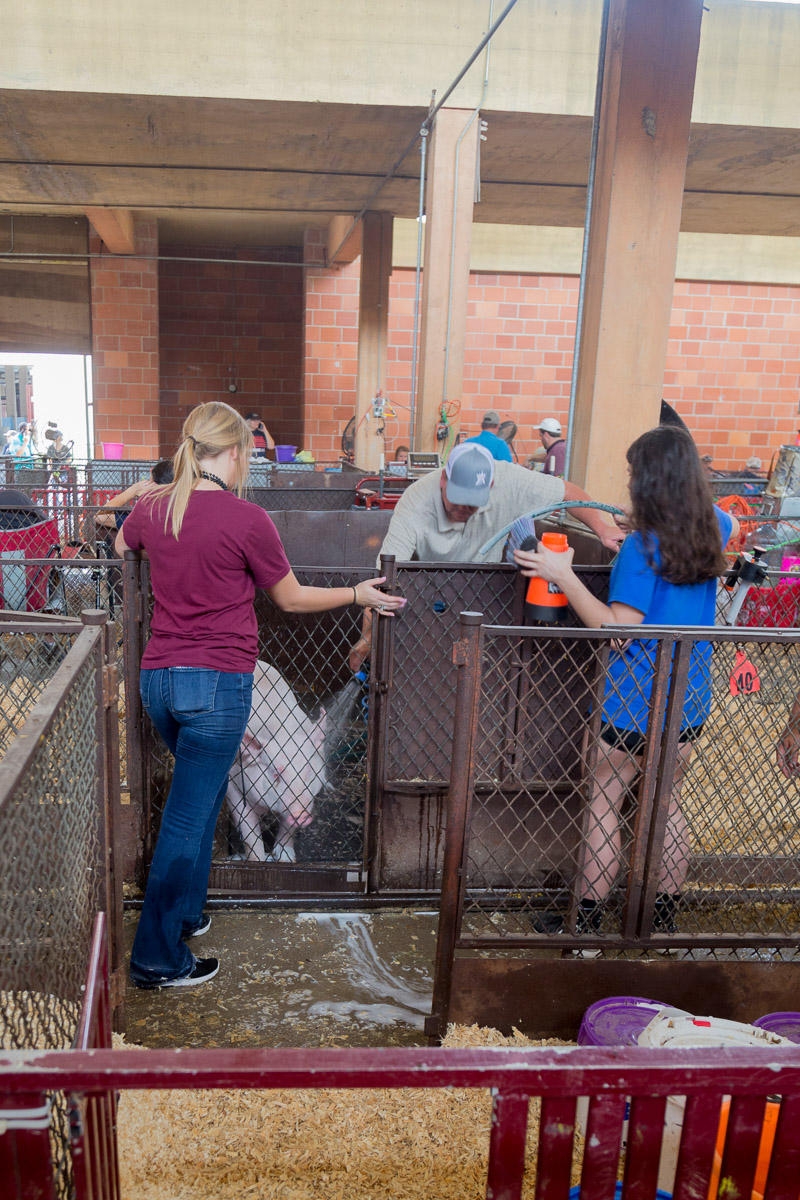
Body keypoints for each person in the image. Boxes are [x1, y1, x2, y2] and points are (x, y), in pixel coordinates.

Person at [116, 401, 405, 989]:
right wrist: (357, 595)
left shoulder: (154, 509)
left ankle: (185, 916)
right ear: (238, 452)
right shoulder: (246, 519)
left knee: (199, 799)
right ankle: (155, 958)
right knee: (186, 816)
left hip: (158, 682)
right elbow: (292, 599)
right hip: (216, 685)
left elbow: (123, 547)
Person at [515, 425, 738, 936]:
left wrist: (563, 573)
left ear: (650, 482)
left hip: (631, 700)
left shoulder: (642, 549)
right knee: (668, 803)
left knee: (603, 799)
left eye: (636, 474)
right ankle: (659, 921)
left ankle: (586, 924)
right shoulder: (719, 525)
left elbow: (616, 630)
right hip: (687, 696)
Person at [348, 441, 623, 670]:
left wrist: (602, 529)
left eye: (473, 502)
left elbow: (567, 493)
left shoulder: (511, 480)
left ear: (491, 486)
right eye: (457, 498)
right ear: (444, 479)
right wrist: (368, 639)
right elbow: (384, 579)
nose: (464, 508)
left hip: (483, 593)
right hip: (426, 595)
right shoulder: (416, 502)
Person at [96, 460, 175, 531]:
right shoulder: (182, 510)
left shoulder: (145, 515)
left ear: (154, 485)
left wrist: (133, 490)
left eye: (149, 481)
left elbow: (100, 517)